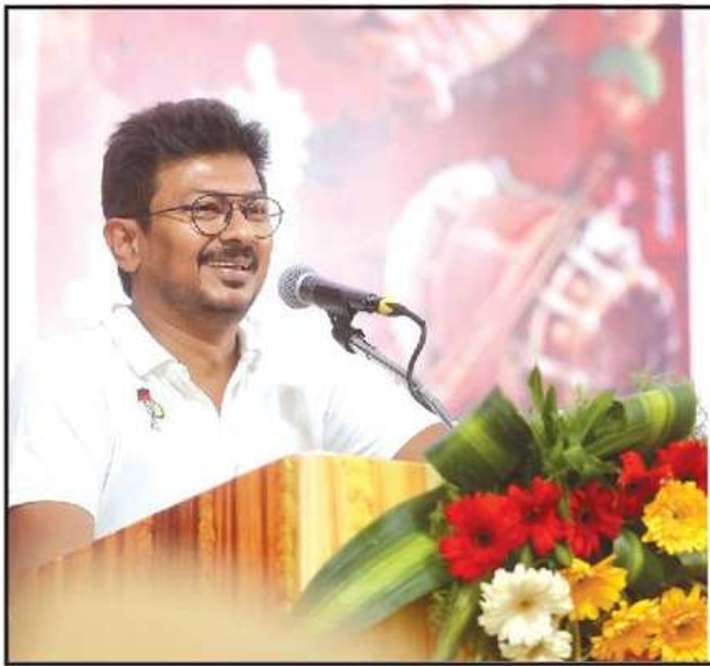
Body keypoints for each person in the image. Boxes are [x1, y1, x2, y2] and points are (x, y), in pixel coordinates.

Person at [8, 98, 445, 587]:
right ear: (127, 242)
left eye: (254, 210)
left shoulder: (311, 370)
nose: (240, 233)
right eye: (207, 210)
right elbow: (42, 594)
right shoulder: (67, 375)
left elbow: (460, 484)